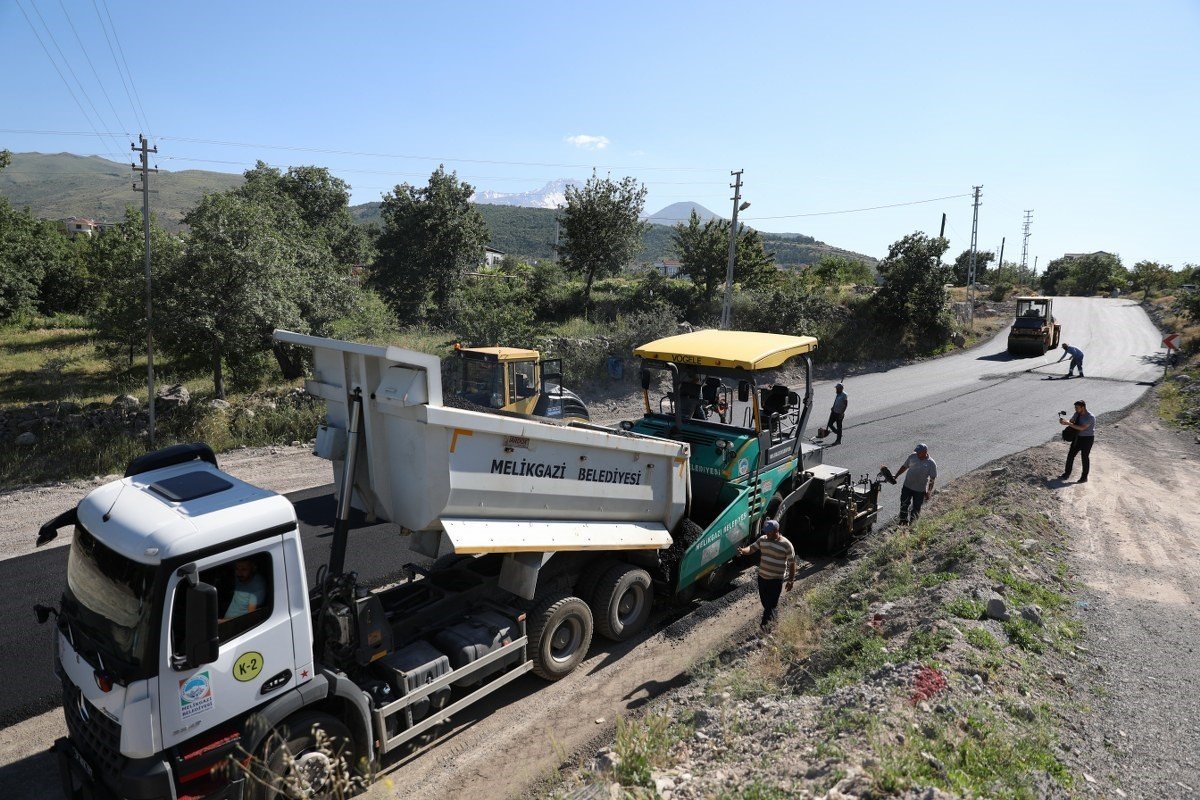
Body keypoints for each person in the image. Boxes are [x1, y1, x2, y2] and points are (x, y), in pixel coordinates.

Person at [736, 519, 796, 629]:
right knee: (766, 604)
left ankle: (764, 627)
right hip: (762, 578)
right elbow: (752, 549)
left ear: (776, 530)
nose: (766, 534)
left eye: (769, 531)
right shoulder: (763, 539)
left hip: (776, 579)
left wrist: (791, 580)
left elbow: (792, 563)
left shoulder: (786, 545)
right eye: (766, 531)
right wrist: (743, 551)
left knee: (771, 604)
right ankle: (775, 621)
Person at [887, 443, 938, 524]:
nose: (917, 453)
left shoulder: (931, 463)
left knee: (916, 508)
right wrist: (896, 475)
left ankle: (912, 524)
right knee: (904, 504)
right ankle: (903, 522)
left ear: (925, 452)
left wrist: (929, 492)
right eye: (916, 452)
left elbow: (932, 479)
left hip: (919, 490)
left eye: (919, 452)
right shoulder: (912, 457)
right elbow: (904, 467)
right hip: (907, 486)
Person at [1059, 400, 1096, 483]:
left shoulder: (1090, 417)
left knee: (1084, 457)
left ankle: (1084, 477)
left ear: (1083, 407)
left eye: (1077, 408)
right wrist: (1064, 422)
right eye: (1075, 407)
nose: (1075, 409)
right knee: (1070, 455)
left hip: (1087, 439)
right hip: (1078, 438)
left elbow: (1082, 428)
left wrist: (1068, 424)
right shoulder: (1077, 414)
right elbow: (1072, 422)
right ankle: (1066, 473)